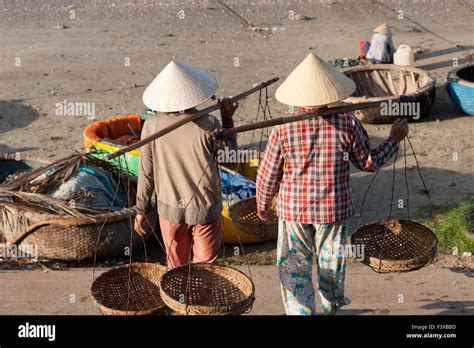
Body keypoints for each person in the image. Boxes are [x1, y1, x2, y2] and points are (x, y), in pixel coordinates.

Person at [256, 52, 408, 315]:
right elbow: (368, 163)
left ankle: (301, 312)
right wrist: (393, 139)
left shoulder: (283, 128)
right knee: (331, 265)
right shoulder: (348, 123)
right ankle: (329, 307)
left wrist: (262, 202)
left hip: (294, 210)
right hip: (332, 210)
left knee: (295, 269)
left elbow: (268, 174)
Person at [134, 59, 238, 268]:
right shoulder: (210, 124)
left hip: (170, 210)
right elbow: (231, 162)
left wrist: (141, 209)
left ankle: (178, 300)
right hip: (204, 210)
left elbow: (146, 173)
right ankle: (199, 299)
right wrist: (227, 120)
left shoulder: (151, 125)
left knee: (176, 269)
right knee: (205, 270)